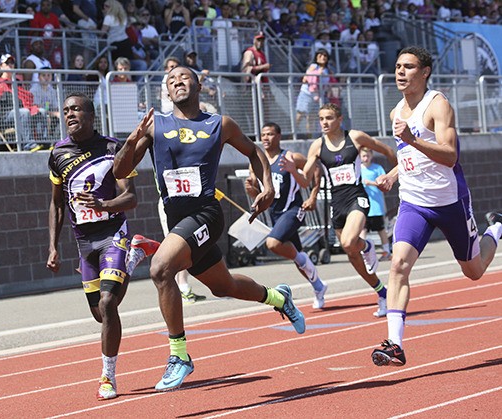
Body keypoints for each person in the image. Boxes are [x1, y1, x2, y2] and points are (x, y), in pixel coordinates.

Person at [113, 65, 306, 392]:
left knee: (161, 269)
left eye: (183, 78)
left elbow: (255, 151)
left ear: (199, 84)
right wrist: (132, 139)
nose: (177, 83)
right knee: (224, 285)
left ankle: (179, 356)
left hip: (206, 213)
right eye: (171, 81)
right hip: (178, 220)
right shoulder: (155, 125)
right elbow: (120, 169)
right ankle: (278, 297)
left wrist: (267, 184)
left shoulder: (220, 124)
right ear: (166, 91)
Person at [370, 46, 502, 367]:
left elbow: (449, 154)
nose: (401, 72)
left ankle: (497, 226)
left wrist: (413, 140)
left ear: (425, 72)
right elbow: (408, 155)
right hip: (414, 203)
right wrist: (391, 174)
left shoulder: (438, 105)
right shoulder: (396, 111)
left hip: (448, 201)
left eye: (409, 67)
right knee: (398, 265)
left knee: (473, 271)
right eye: (398, 66)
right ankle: (395, 344)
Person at [47, 92, 159, 400]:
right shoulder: (58, 153)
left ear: (91, 115)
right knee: (100, 313)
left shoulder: (113, 148)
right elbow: (56, 205)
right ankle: (136, 255)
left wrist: (103, 204)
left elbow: (131, 198)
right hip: (84, 243)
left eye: (77, 109)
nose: (70, 114)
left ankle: (107, 377)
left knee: (110, 303)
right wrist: (53, 247)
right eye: (66, 110)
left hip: (113, 234)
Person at [299, 102, 397, 318]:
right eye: (321, 119)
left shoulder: (355, 137)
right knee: (352, 254)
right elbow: (306, 178)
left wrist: (397, 171)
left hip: (357, 197)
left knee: (348, 242)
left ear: (339, 119)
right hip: (337, 203)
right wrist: (293, 171)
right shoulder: (317, 146)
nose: (324, 122)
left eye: (329, 118)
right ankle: (382, 293)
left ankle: (368, 244)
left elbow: (386, 150)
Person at [245, 122, 329, 309]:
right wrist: (252, 190)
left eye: (270, 134)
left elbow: (316, 169)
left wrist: (314, 196)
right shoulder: (256, 163)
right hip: (275, 212)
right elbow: (259, 193)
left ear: (279, 136)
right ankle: (319, 286)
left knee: (273, 243)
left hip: (294, 209)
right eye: (263, 135)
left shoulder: (290, 157)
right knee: (298, 257)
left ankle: (314, 278)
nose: (265, 138)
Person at [0, 54, 44, 151]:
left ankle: (44, 142)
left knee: (42, 111)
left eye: (12, 63)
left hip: (18, 113)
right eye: (7, 63)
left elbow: (25, 98)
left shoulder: (17, 82)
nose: (10, 65)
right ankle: (29, 144)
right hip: (3, 117)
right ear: (1, 66)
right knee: (24, 112)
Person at [359, 147, 392, 262]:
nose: (366, 158)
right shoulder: (358, 169)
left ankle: (386, 251)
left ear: (371, 156)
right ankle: (363, 254)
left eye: (368, 156)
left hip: (376, 206)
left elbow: (384, 182)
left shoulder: (377, 168)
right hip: (363, 206)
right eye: (363, 156)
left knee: (381, 229)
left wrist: (371, 183)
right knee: (363, 230)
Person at [295, 48, 331, 135]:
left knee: (311, 117)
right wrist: (319, 72)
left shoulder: (327, 70)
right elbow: (307, 76)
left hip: (318, 96)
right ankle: (293, 132)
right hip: (307, 94)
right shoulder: (314, 66)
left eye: (325, 56)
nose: (323, 57)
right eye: (320, 55)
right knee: (301, 113)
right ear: (316, 57)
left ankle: (309, 135)